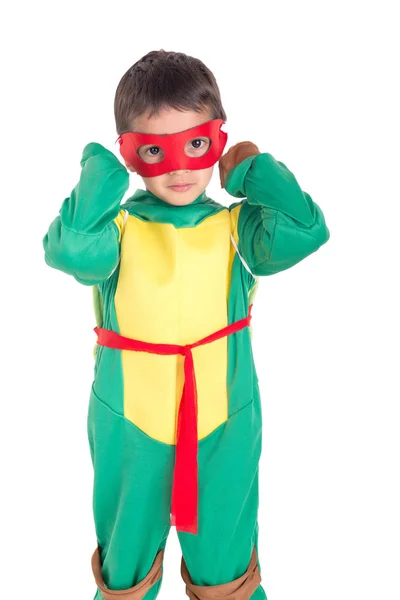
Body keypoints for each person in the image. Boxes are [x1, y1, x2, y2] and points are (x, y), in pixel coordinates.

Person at [42, 49, 330, 600]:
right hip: (131, 421)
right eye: (154, 150)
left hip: (225, 413)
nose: (179, 168)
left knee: (226, 558)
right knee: (126, 560)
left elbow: (304, 230)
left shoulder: (234, 225)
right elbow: (71, 249)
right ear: (131, 153)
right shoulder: (117, 229)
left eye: (196, 144)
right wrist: (100, 176)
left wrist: (253, 169)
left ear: (217, 140)